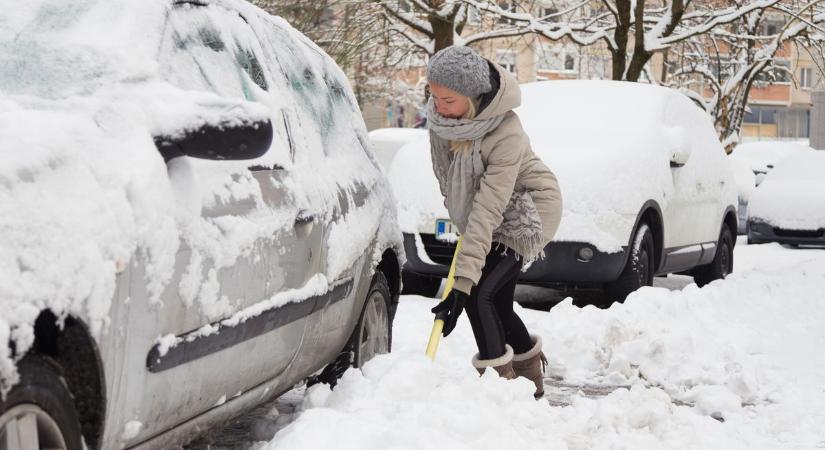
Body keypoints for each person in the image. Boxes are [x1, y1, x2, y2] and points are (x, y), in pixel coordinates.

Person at [426, 45, 563, 399]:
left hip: (527, 209)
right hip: (489, 211)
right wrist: (468, 243)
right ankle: (530, 376)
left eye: (449, 100)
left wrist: (460, 286)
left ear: (473, 99)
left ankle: (498, 393)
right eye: (434, 95)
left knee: (479, 295)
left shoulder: (505, 133)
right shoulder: (441, 123)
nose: (439, 106)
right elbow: (451, 185)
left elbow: (488, 208)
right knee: (496, 301)